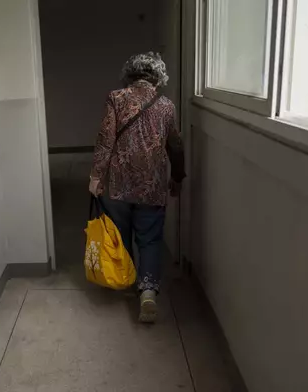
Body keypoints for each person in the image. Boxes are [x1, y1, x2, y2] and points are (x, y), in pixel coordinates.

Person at [89, 52, 185, 323]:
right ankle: (148, 292)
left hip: (119, 185)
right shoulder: (166, 105)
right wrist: (177, 177)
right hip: (152, 187)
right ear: (158, 77)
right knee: (151, 239)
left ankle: (126, 280)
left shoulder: (116, 98)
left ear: (129, 74)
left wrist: (96, 177)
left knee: (121, 235)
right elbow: (175, 145)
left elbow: (105, 140)